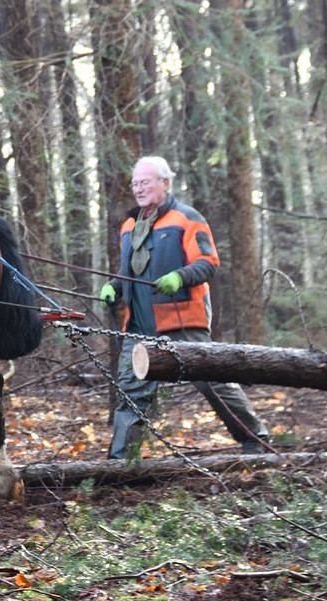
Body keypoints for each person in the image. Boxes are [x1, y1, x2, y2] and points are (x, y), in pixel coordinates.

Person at [99, 156, 270, 459]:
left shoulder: (187, 218)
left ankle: (255, 439)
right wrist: (115, 286)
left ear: (165, 183)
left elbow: (208, 263)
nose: (138, 188)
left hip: (181, 322)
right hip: (138, 326)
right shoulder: (129, 226)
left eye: (145, 182)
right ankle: (122, 462)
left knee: (211, 381)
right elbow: (130, 274)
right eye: (135, 183)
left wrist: (180, 277)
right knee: (129, 390)